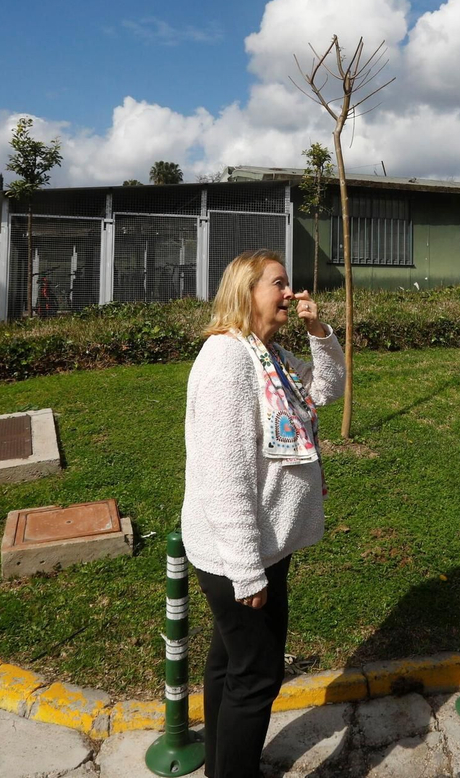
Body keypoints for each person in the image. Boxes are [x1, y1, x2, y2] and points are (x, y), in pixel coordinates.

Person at [181, 249, 343, 777]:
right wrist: (247, 568)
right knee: (257, 676)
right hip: (239, 554)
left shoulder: (266, 355)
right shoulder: (228, 360)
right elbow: (222, 474)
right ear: (245, 292)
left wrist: (320, 333)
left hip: (262, 546)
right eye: (277, 283)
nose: (289, 292)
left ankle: (220, 766)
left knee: (229, 662)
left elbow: (327, 389)